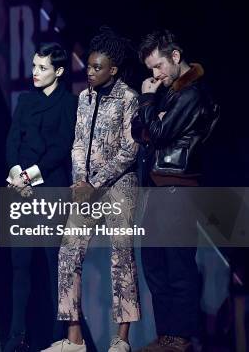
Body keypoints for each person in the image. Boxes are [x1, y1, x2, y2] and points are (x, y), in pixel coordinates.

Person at [43, 27, 140, 352]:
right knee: (68, 252)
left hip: (118, 188)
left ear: (112, 69)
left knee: (121, 258)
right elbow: (78, 143)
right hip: (85, 189)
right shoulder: (84, 97)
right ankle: (74, 340)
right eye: (89, 66)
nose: (90, 71)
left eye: (98, 67)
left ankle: (121, 340)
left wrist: (96, 183)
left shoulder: (129, 99)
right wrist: (80, 182)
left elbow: (130, 150)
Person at [132, 30, 218, 352]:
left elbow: (159, 132)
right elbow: (139, 129)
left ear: (176, 57)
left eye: (158, 67)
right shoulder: (168, 93)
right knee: (154, 265)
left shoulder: (192, 94)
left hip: (179, 189)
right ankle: (167, 334)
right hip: (155, 188)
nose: (154, 75)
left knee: (179, 266)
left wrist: (147, 102)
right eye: (150, 70)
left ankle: (180, 337)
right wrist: (154, 114)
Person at [3, 42, 77, 351]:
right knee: (20, 266)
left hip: (50, 189)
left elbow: (61, 148)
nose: (35, 73)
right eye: (34, 66)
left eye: (42, 68)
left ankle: (57, 337)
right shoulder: (24, 101)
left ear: (58, 71)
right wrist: (15, 173)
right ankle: (16, 337)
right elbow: (12, 140)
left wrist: (29, 176)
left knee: (53, 265)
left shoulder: (69, 104)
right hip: (19, 191)